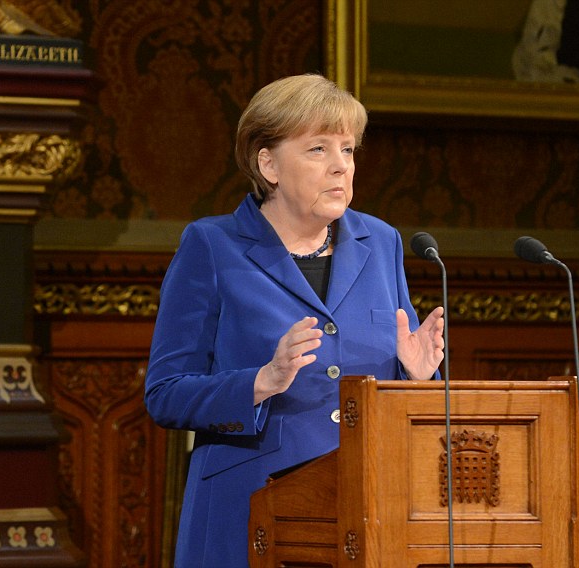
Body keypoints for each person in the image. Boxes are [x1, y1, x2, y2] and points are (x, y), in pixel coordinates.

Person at [144, 74, 444, 567]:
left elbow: (401, 400)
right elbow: (165, 393)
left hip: (362, 511)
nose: (340, 167)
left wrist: (417, 378)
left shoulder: (381, 242)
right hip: (248, 512)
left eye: (348, 150)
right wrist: (259, 382)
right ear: (269, 163)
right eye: (318, 150)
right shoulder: (212, 247)